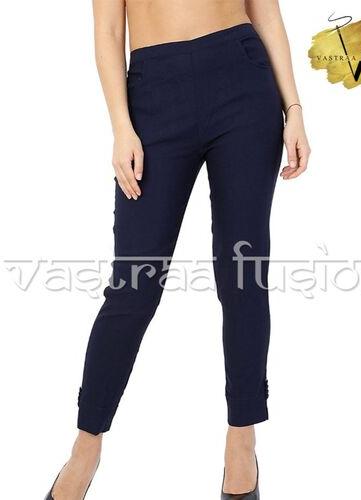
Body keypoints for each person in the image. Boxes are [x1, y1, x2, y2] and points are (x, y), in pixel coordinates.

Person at [45, 0, 311, 498]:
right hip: (154, 93)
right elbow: (108, 31)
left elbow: (266, 13)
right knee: (134, 287)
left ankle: (242, 439)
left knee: (243, 274)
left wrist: (293, 108)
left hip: (242, 80)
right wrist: (121, 126)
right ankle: (86, 444)